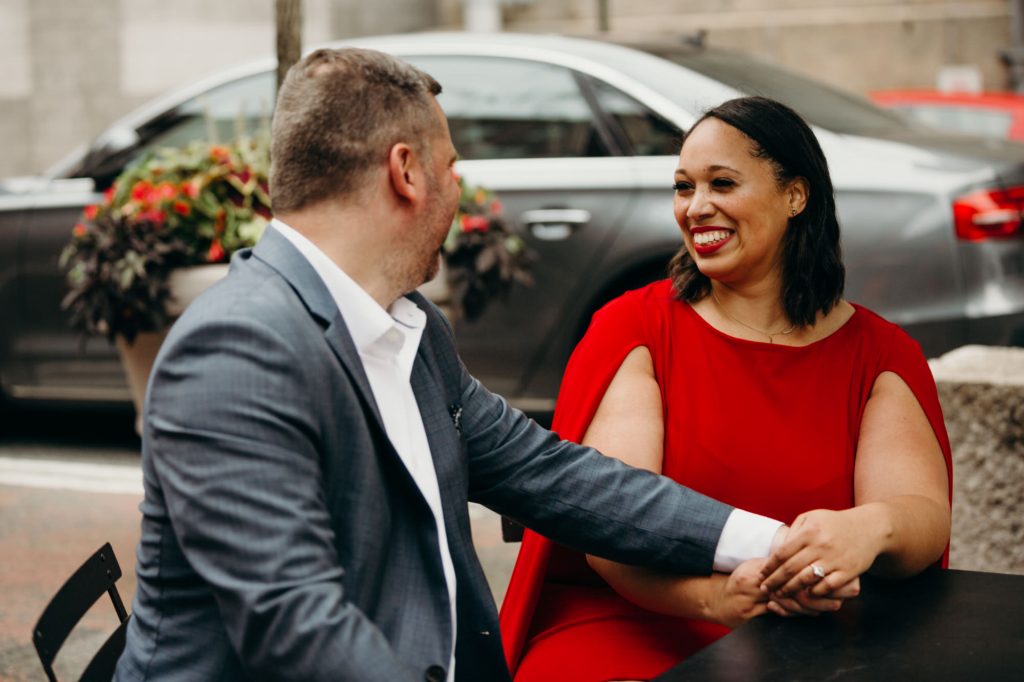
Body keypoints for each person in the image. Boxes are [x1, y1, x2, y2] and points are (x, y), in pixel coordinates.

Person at [112, 53, 840, 682]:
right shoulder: (238, 348)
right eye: (453, 165)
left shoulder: (410, 327)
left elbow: (555, 475)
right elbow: (296, 629)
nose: (459, 188)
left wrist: (779, 545)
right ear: (406, 172)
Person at [499, 96, 953, 682]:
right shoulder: (636, 329)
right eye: (684, 187)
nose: (696, 207)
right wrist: (719, 600)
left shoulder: (879, 354)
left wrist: (868, 529)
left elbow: (922, 515)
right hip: (635, 620)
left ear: (796, 194)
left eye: (722, 183)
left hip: (818, 637)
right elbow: (606, 525)